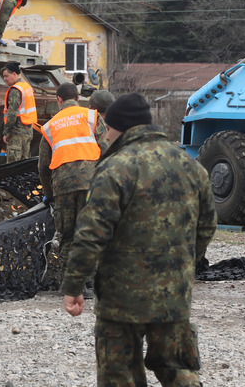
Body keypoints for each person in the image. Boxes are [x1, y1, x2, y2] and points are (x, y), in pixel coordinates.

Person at [61, 92, 218, 387]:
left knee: (120, 374)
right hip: (174, 293)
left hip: (121, 299)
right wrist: (182, 265)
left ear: (121, 128)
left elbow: (91, 233)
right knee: (178, 367)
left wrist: (73, 285)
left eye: (107, 128)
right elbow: (208, 225)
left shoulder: (115, 168)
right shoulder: (191, 166)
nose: (105, 135)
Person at [38, 82, 106, 265]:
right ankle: (89, 283)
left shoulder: (49, 126)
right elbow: (107, 150)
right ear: (77, 98)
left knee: (67, 236)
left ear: (59, 100)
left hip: (63, 187)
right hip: (91, 184)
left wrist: (49, 195)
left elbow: (43, 166)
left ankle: (70, 283)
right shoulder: (92, 116)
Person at [0, 62, 38, 163]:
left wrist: (6, 132)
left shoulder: (15, 90)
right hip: (27, 131)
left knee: (13, 164)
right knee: (24, 162)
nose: (4, 79)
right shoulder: (26, 86)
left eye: (6, 76)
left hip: (17, 132)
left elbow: (12, 114)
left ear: (14, 74)